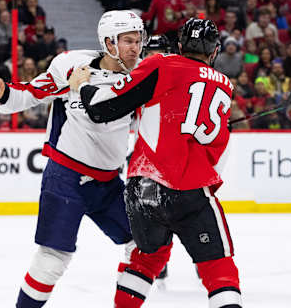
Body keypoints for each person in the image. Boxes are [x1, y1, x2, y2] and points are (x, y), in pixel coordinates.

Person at [69, 18, 241, 308]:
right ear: (214, 53)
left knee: (146, 259)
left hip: (144, 186)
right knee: (219, 270)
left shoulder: (161, 64)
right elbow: (218, 149)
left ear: (180, 45)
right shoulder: (224, 85)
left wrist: (82, 86)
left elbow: (102, 108)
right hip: (192, 189)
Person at [0, 10, 146, 308]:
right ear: (109, 42)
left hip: (108, 183)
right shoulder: (73, 65)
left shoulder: (141, 77)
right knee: (52, 260)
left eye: (138, 40)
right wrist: (3, 95)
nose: (135, 47)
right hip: (65, 178)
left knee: (144, 246)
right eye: (128, 41)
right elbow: (33, 93)